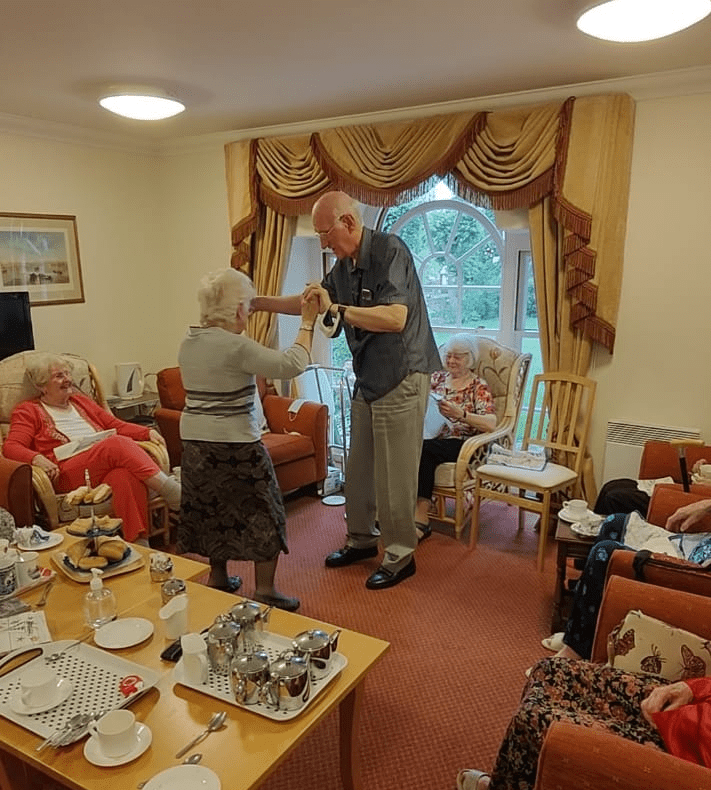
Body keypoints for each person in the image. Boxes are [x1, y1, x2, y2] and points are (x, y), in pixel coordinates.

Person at [253, 190, 441, 590]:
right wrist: (259, 302)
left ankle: (400, 554)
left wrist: (336, 309)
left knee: (396, 475)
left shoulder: (391, 251)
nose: (322, 242)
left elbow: (394, 317)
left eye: (325, 233)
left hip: (403, 374)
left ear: (349, 223)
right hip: (368, 378)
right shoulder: (343, 266)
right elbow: (311, 303)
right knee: (358, 469)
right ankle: (360, 540)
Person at [455, 657, 711, 790]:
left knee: (540, 722)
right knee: (549, 670)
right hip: (692, 706)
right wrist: (692, 687)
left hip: (687, 760)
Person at [177, 267, 318, 611]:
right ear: (239, 310)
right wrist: (308, 322)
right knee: (265, 511)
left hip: (195, 444)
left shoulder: (189, 342)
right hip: (235, 444)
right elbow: (293, 363)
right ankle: (266, 590)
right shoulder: (236, 346)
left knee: (213, 509)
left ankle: (219, 577)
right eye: (249, 307)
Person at [3, 354, 178, 543]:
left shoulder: (81, 402)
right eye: (59, 376)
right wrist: (37, 458)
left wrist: (146, 433)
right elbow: (11, 447)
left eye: (67, 374)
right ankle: (172, 492)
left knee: (124, 477)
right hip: (66, 472)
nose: (68, 379)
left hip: (101, 464)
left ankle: (140, 544)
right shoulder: (28, 410)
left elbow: (114, 424)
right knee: (116, 443)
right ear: (41, 386)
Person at [549, 505, 711, 661]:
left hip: (699, 568)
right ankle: (573, 632)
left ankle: (577, 649)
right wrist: (708, 506)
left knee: (605, 553)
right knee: (614, 521)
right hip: (696, 543)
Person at [414, 334, 496, 542]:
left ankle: (421, 517)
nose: (451, 361)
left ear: (469, 358)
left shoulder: (478, 385)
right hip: (433, 435)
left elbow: (491, 423)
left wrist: (461, 415)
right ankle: (392, 509)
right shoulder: (437, 379)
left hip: (465, 443)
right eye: (448, 356)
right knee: (412, 445)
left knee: (425, 450)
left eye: (457, 357)